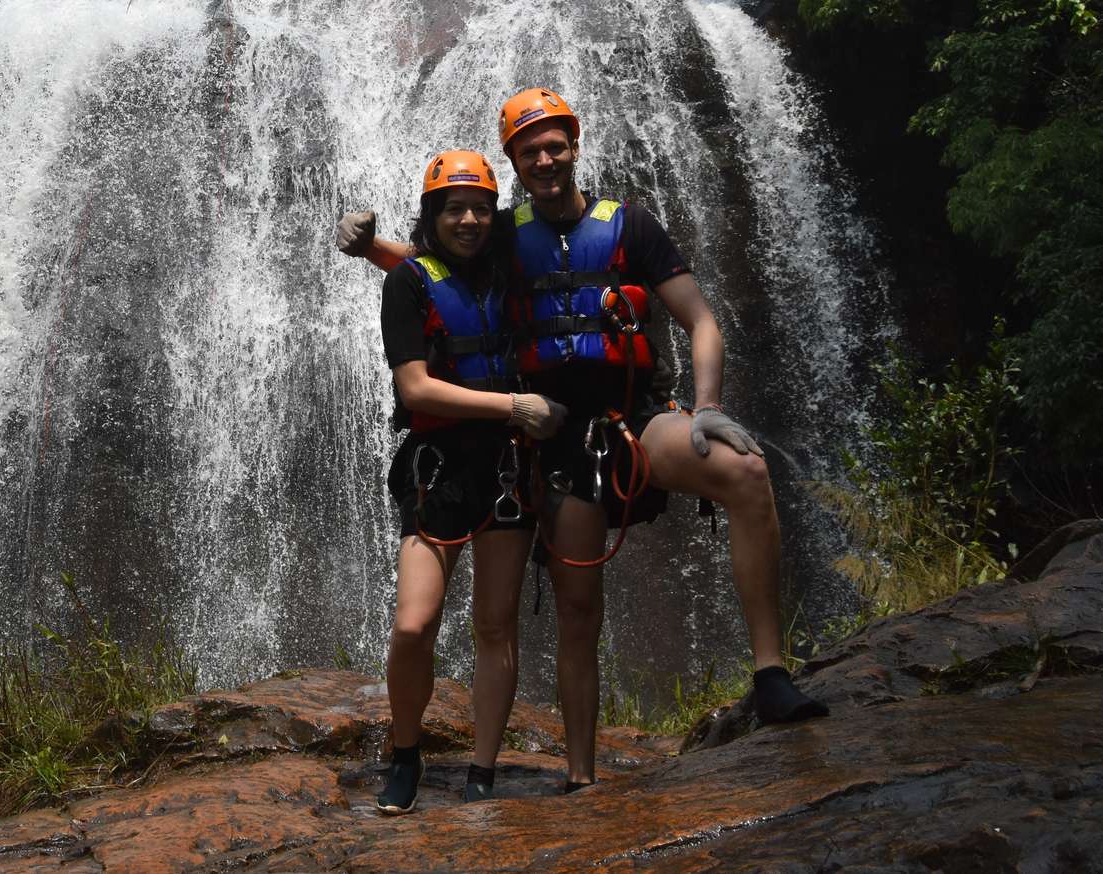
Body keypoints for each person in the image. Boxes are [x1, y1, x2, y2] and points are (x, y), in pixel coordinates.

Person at [341, 88, 826, 794]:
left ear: (574, 145)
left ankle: (771, 674)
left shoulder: (631, 225)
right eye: (529, 148)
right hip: (558, 439)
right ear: (512, 160)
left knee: (745, 471)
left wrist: (708, 407)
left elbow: (702, 320)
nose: (544, 157)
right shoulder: (504, 234)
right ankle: (580, 777)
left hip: (641, 420)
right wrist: (370, 250)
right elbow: (443, 265)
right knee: (577, 606)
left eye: (554, 144)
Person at [363, 149, 569, 812]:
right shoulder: (409, 283)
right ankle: (404, 754)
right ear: (433, 216)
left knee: (494, 624)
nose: (471, 219)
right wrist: (515, 405)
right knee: (414, 624)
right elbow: (416, 384)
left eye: (481, 207)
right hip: (438, 468)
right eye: (456, 209)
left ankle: (483, 770)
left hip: (507, 467)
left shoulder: (510, 267)